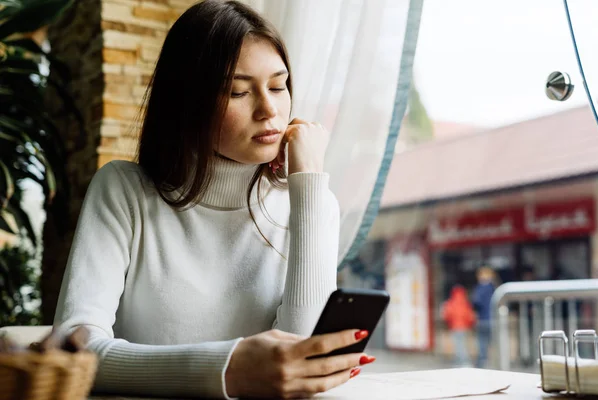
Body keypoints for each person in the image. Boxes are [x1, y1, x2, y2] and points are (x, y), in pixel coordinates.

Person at [53, 1, 377, 398]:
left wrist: (308, 188)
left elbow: (303, 369)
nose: (269, 109)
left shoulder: (309, 201)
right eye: (239, 91)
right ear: (187, 103)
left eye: (278, 86)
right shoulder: (124, 191)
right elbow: (75, 349)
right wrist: (228, 369)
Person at [442, 285, 475, 367]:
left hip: (455, 326)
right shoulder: (465, 303)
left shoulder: (451, 302)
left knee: (458, 345)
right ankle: (461, 361)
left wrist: (449, 323)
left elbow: (447, 315)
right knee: (462, 344)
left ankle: (463, 362)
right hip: (464, 327)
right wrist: (469, 325)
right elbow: (470, 316)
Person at [471, 266, 496, 368]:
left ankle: (483, 362)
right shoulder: (493, 288)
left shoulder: (480, 288)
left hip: (483, 319)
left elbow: (476, 302)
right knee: (491, 341)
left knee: (482, 342)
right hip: (493, 319)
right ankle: (492, 362)